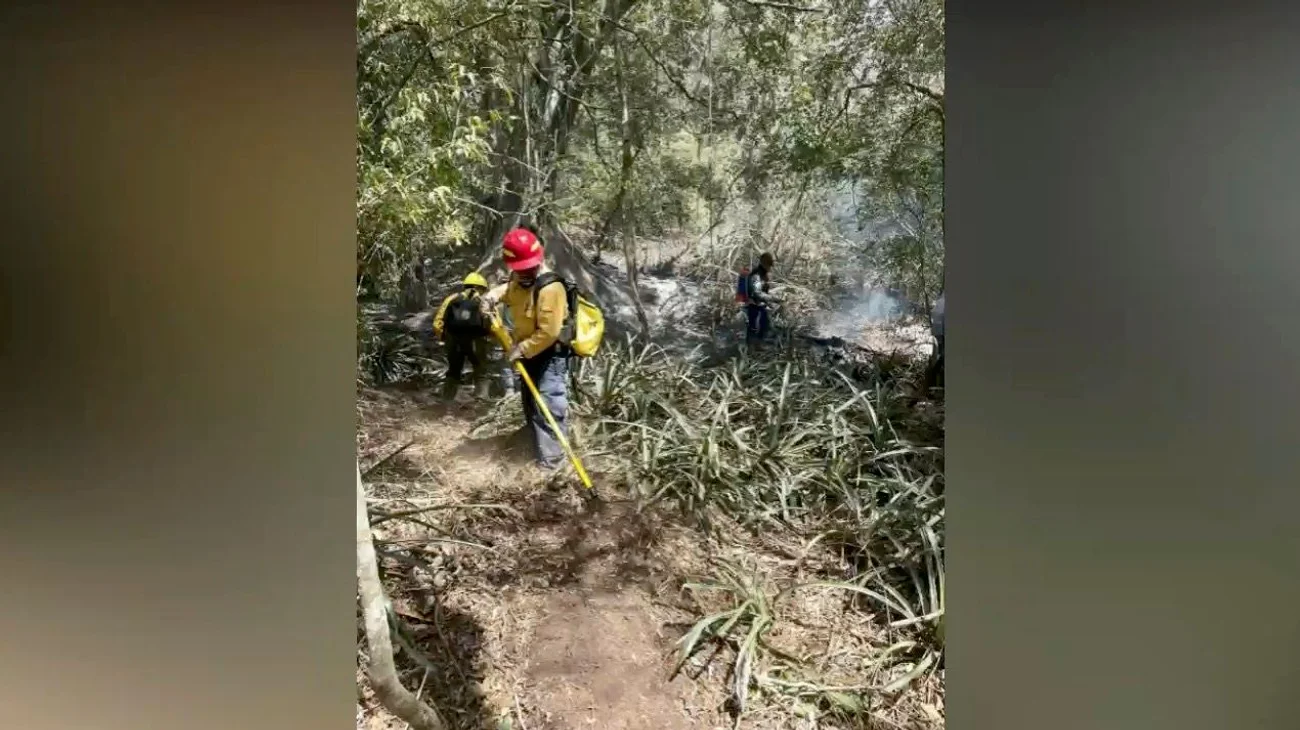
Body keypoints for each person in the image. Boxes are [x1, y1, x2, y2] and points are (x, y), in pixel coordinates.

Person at [481, 226, 571, 470]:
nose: (525, 273)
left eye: (529, 267)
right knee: (531, 406)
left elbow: (549, 332)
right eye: (519, 269)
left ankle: (553, 466)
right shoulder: (517, 279)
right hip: (528, 354)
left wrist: (521, 349)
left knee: (548, 407)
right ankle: (535, 452)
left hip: (549, 356)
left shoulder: (550, 288)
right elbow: (508, 291)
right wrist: (492, 296)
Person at [432, 271, 494, 401]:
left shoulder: (452, 299)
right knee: (481, 370)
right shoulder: (484, 302)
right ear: (479, 288)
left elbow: (438, 322)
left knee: (453, 371)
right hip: (476, 341)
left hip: (453, 340)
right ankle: (481, 399)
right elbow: (495, 324)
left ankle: (447, 399)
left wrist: (444, 338)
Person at [745, 252, 781, 346]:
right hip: (754, 305)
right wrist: (773, 298)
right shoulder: (756, 276)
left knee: (764, 325)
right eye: (769, 265)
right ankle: (751, 348)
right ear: (764, 264)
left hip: (760, 305)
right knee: (753, 328)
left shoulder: (763, 274)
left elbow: (763, 291)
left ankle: (758, 345)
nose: (770, 268)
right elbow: (757, 293)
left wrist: (771, 300)